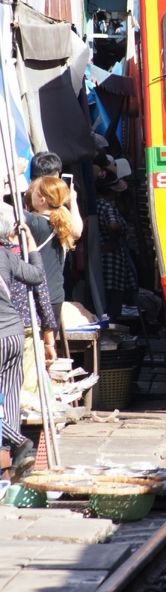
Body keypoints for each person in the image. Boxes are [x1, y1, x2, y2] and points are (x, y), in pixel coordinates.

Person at [0, 203, 46, 475]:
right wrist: (32, 246)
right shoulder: (6, 255)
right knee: (11, 396)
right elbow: (37, 276)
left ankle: (18, 442)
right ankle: (18, 459)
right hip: (14, 334)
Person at [25, 176, 80, 328]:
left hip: (34, 295)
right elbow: (78, 232)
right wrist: (73, 201)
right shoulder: (63, 223)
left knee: (34, 347)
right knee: (49, 346)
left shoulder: (35, 223)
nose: (29, 194)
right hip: (55, 295)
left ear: (42, 200)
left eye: (32, 192)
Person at [95, 171, 138, 320]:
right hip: (112, 259)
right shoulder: (107, 206)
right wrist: (113, 242)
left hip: (106, 258)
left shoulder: (97, 204)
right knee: (113, 297)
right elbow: (113, 226)